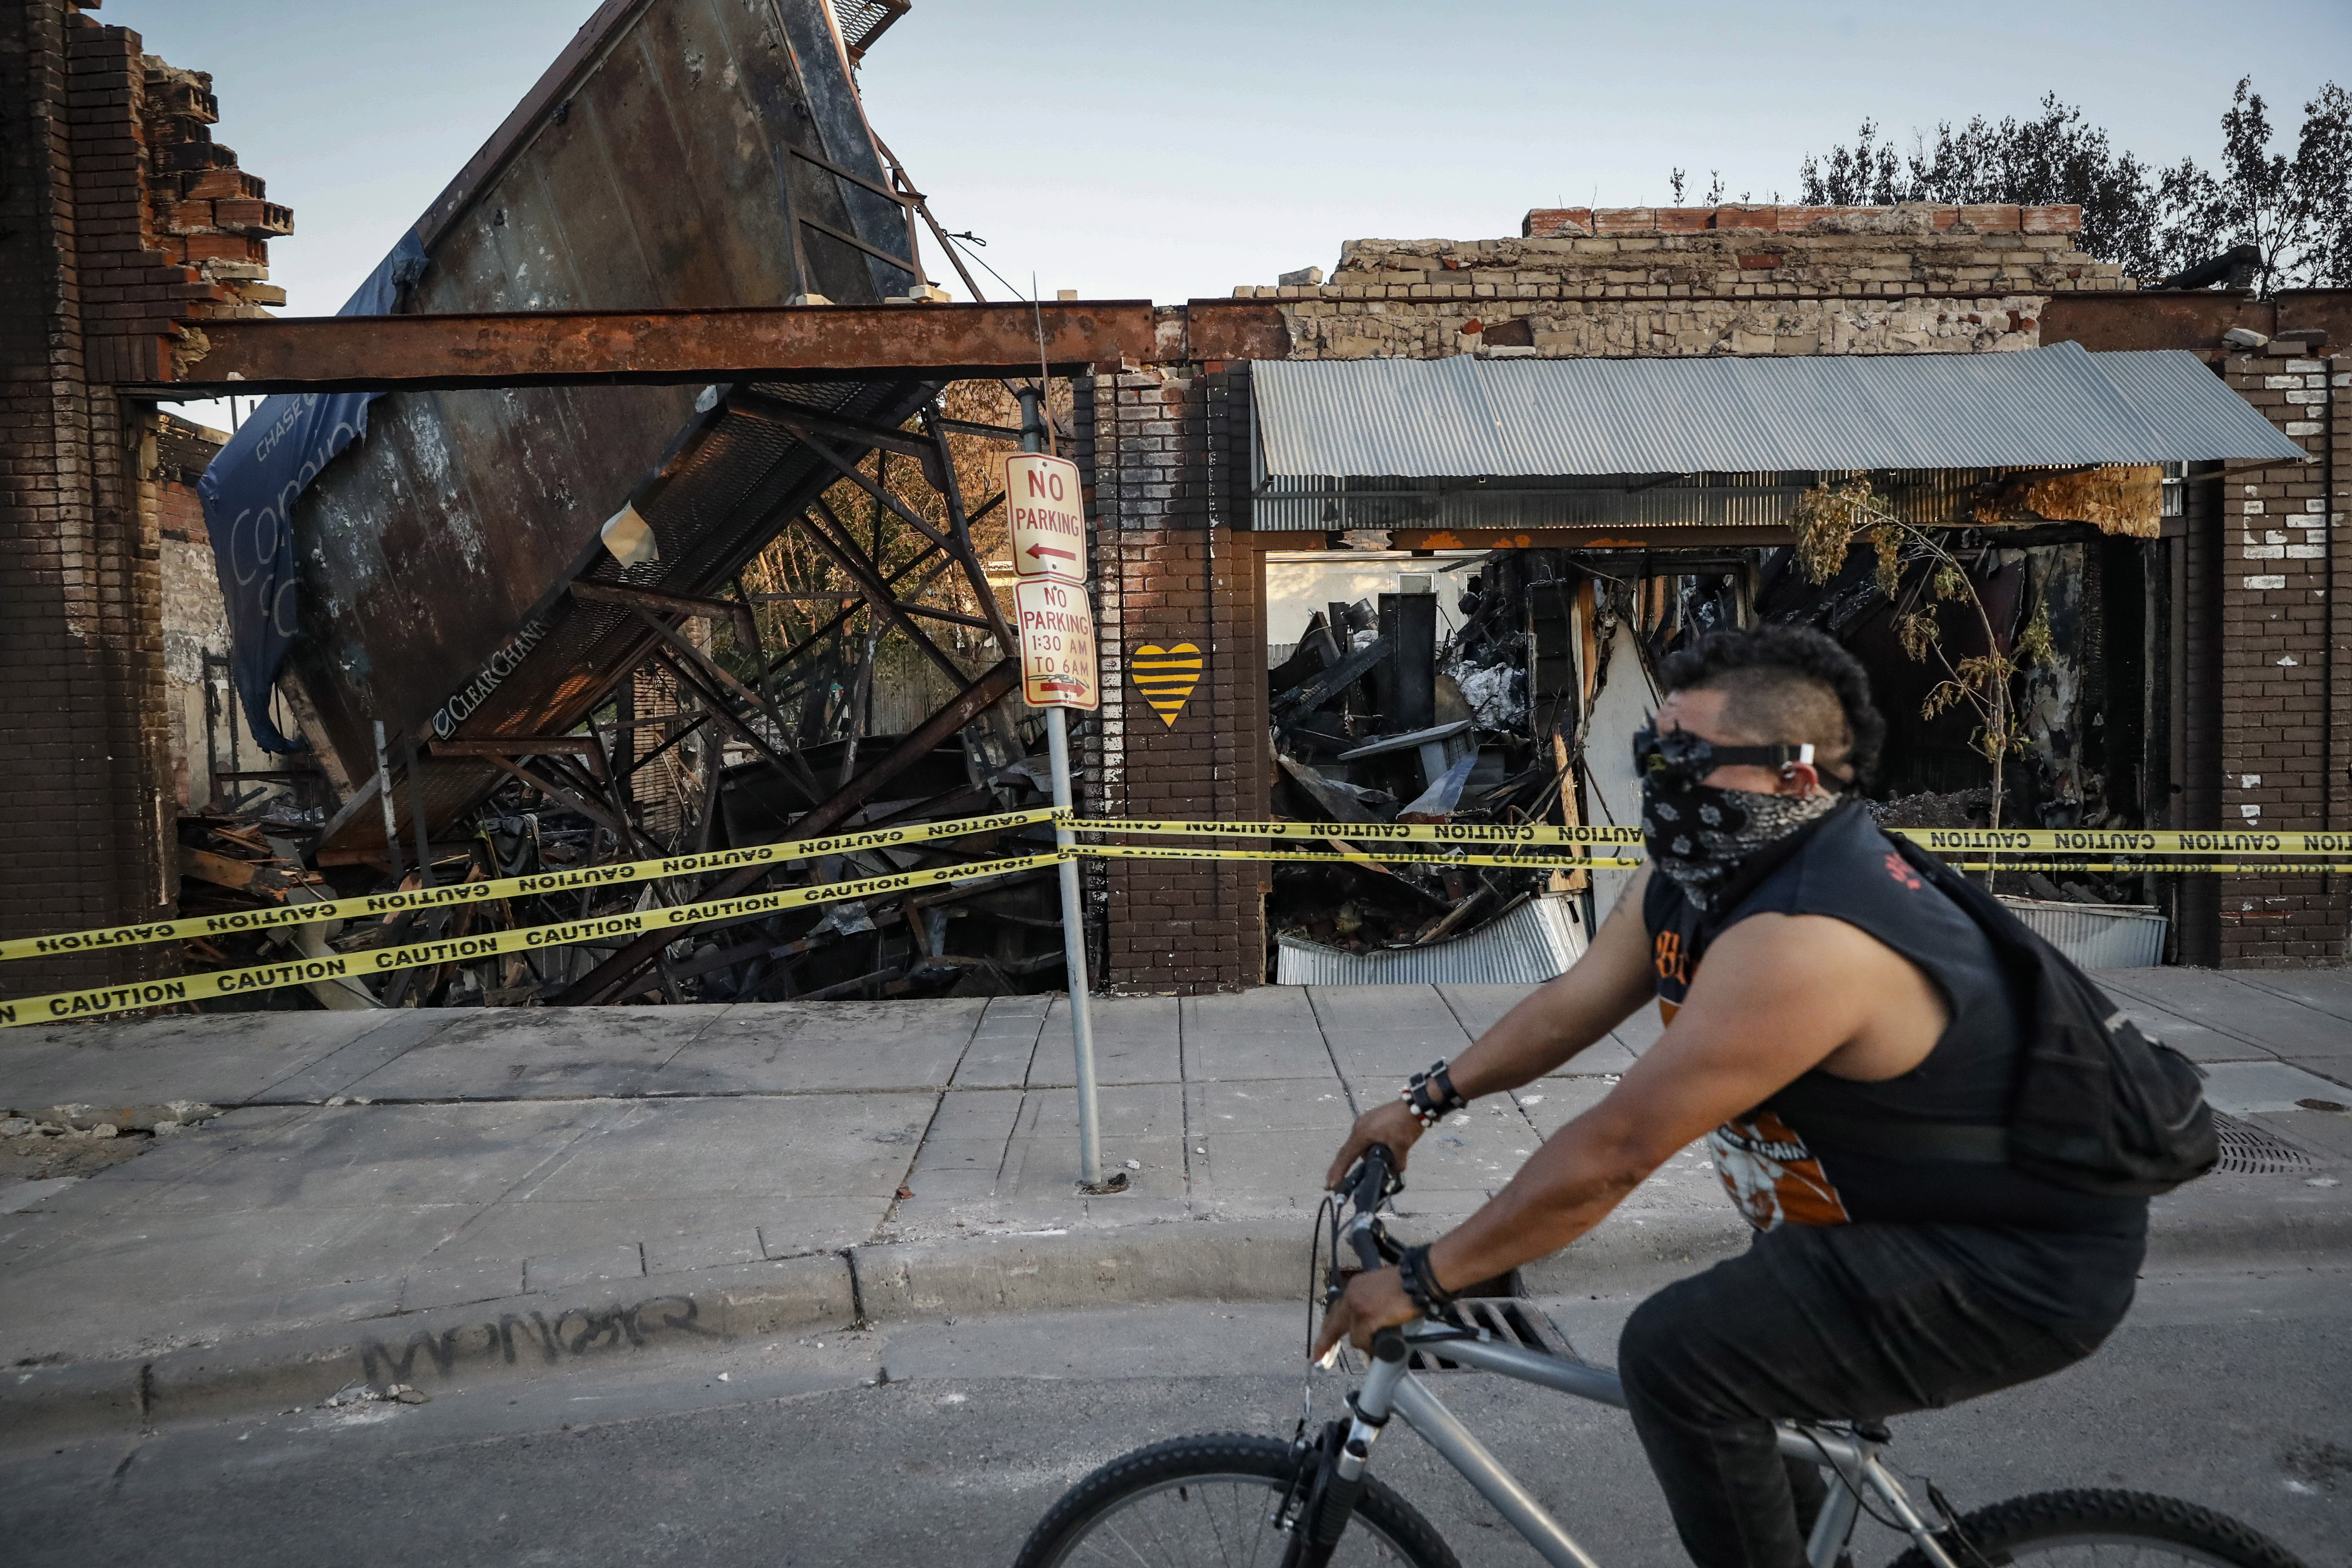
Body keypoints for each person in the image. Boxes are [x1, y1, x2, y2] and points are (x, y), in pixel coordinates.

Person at [1313, 624, 2147, 1568]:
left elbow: (1619, 1150)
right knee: (1742, 1380)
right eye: (1655, 754)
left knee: (1681, 1360)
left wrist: (1428, 1277)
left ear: (1795, 777)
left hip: (2010, 1260)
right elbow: (1576, 1001)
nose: (1660, 781)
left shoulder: (1811, 933)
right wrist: (1422, 1105)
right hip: (1870, 1223)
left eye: (1689, 759)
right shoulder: (1701, 868)